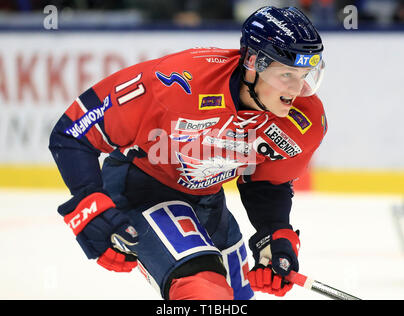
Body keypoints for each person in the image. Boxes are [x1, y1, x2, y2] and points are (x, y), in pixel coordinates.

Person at [49, 6, 327, 300]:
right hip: (142, 188)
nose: (296, 89)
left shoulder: (303, 120)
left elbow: (266, 184)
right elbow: (72, 133)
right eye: (286, 74)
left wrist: (275, 233)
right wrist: (90, 207)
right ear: (253, 62)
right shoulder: (177, 83)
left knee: (235, 299)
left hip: (207, 203)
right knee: (205, 295)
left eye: (304, 74)